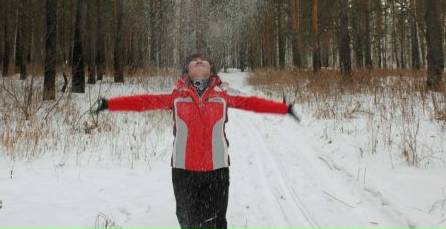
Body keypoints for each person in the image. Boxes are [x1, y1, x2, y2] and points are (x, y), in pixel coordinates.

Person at [90, 52, 300, 229]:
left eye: (204, 60)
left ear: (211, 70)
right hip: (183, 172)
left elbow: (252, 103)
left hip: (216, 171)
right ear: (187, 71)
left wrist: (283, 108)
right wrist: (110, 104)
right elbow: (144, 102)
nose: (199, 61)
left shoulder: (223, 96)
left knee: (215, 223)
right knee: (188, 222)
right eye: (194, 61)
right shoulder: (176, 97)